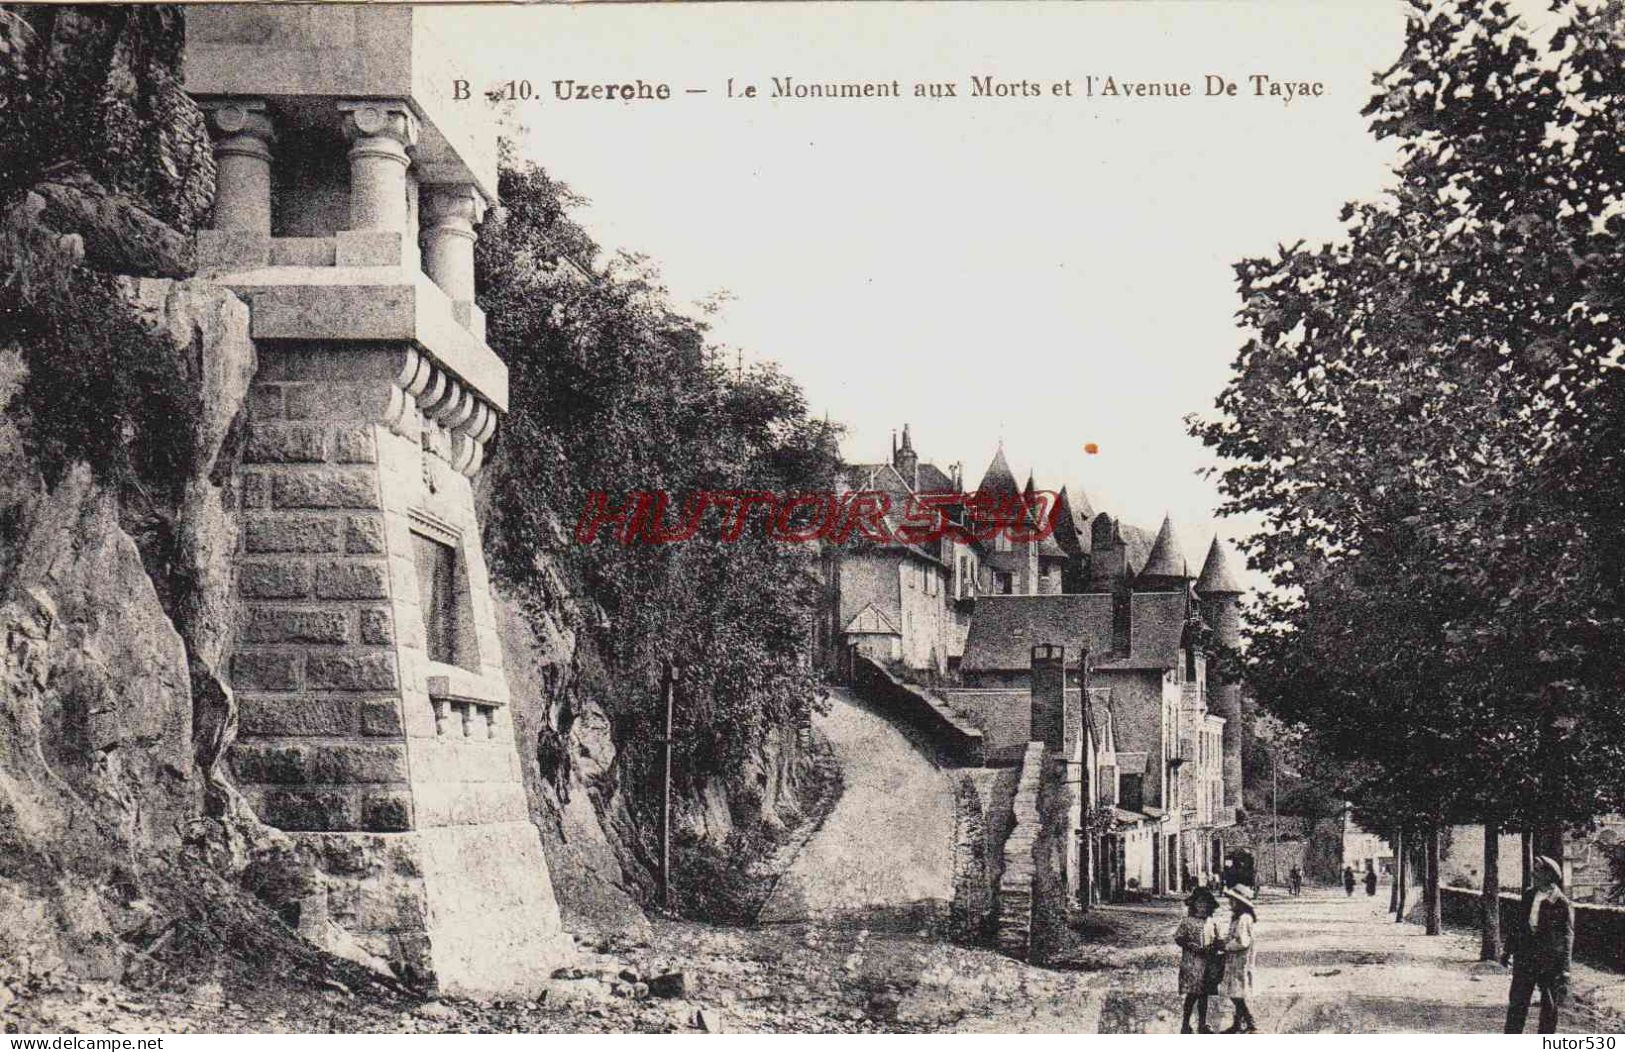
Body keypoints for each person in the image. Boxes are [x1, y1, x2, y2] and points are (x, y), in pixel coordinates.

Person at [1503, 855, 1574, 1034]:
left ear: (1549, 875)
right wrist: (1507, 952)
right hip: (1525, 958)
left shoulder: (1561, 902)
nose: (1533, 873)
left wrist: (1565, 968)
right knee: (1517, 1003)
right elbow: (1517, 925)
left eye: (1538, 870)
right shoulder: (1529, 895)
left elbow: (1567, 936)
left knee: (1549, 1006)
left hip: (1549, 961)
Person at [1174, 888, 1223, 1033]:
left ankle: (1202, 1024)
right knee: (1192, 993)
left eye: (1205, 904)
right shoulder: (1187, 921)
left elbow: (1218, 940)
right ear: (1193, 905)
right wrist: (1191, 945)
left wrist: (1218, 946)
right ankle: (1185, 1024)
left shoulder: (1212, 922)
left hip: (1208, 962)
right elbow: (1179, 938)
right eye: (1199, 903)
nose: (1202, 907)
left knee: (1204, 994)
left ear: (1210, 906)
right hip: (1192, 962)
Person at [1220, 883, 1260, 1033]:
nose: (1230, 903)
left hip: (1240, 961)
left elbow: (1242, 942)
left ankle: (1250, 1022)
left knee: (1236, 994)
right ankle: (1238, 1023)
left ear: (1240, 903)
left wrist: (1225, 946)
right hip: (1236, 961)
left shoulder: (1243, 919)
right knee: (1236, 992)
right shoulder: (1239, 918)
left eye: (1233, 900)